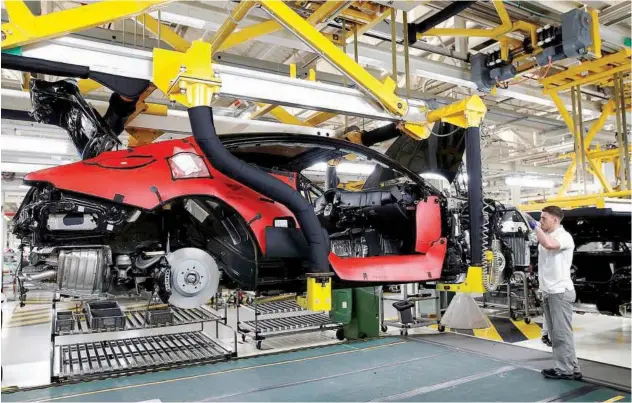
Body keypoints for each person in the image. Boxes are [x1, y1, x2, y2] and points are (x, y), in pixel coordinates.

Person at [525, 206, 581, 380]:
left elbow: (549, 245)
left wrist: (534, 225)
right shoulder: (548, 235)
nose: (541, 222)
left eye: (544, 219)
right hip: (550, 291)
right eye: (540, 219)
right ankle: (571, 367)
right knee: (557, 334)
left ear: (555, 220)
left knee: (561, 334)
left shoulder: (564, 237)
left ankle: (565, 370)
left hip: (560, 292)